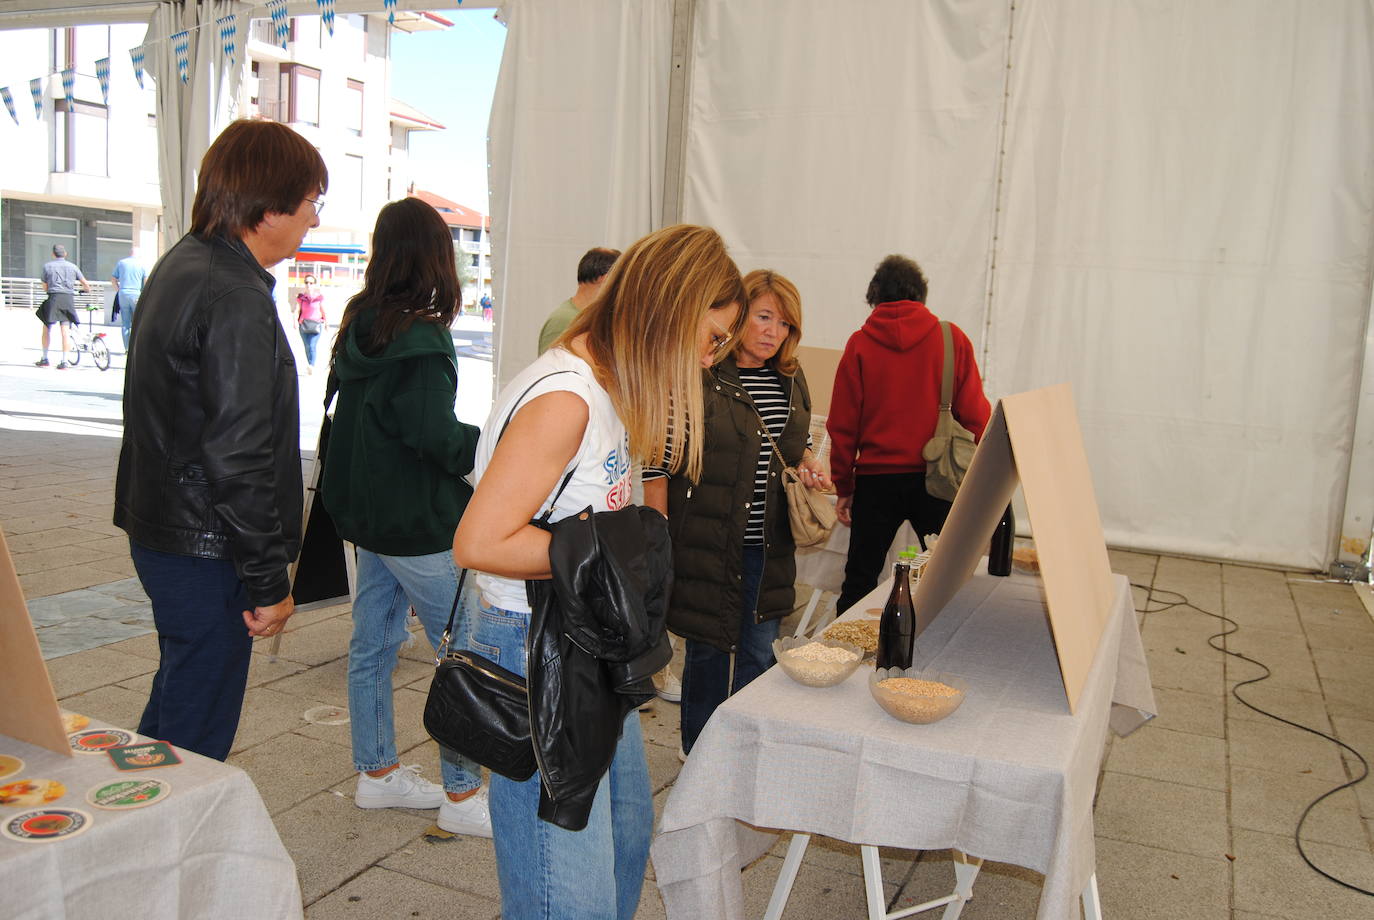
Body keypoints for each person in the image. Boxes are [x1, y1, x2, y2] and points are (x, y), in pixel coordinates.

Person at [453, 224, 744, 920]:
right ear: (668, 314)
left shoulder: (606, 385)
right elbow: (479, 540)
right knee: (569, 897)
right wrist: (616, 551)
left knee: (622, 845)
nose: (711, 362)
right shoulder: (568, 398)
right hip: (534, 649)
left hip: (582, 645)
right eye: (712, 340)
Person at [113, 119, 327, 761]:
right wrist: (268, 580)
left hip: (167, 528)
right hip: (206, 545)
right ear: (268, 209)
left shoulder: (182, 262)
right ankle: (157, 851)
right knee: (194, 735)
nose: (313, 220)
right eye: (312, 202)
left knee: (180, 697)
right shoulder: (233, 291)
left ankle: (135, 828)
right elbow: (237, 453)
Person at [320, 198, 491, 837]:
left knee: (372, 645)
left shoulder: (360, 322)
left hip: (368, 520)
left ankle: (378, 774)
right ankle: (463, 790)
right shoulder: (421, 336)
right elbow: (433, 435)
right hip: (419, 523)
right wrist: (493, 442)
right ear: (436, 257)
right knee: (465, 651)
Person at [644, 269, 829, 756]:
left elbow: (795, 443)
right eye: (765, 317)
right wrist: (658, 530)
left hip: (768, 542)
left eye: (785, 324)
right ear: (739, 315)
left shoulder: (791, 376)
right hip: (707, 537)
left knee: (758, 647)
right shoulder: (702, 371)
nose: (774, 332)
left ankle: (745, 749)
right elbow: (661, 457)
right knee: (708, 646)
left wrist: (809, 465)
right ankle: (699, 748)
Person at [828, 254, 991, 613]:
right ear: (921, 294)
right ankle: (942, 653)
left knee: (859, 580)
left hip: (875, 482)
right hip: (938, 478)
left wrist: (844, 487)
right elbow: (979, 417)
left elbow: (842, 425)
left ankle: (843, 657)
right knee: (948, 577)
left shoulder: (859, 344)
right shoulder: (951, 338)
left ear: (875, 295)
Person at [537, 247, 620, 354]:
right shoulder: (563, 320)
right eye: (620, 281)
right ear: (606, 279)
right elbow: (550, 368)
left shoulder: (592, 318)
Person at [35, 244, 91, 368]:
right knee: (65, 331)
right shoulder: (73, 267)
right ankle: (65, 361)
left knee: (46, 328)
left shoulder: (47, 266)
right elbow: (86, 285)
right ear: (65, 254)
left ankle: (45, 358)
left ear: (53, 254)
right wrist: (83, 291)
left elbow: (45, 287)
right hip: (68, 299)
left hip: (53, 298)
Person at [110, 248, 148, 351]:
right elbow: (146, 281)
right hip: (136, 294)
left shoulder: (121, 263)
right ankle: (136, 347)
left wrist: (118, 290)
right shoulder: (142, 264)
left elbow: (113, 279)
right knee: (138, 321)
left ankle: (127, 348)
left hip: (123, 294)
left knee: (125, 323)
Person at [295, 274, 327, 374]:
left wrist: (327, 323)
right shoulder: (301, 298)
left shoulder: (319, 298)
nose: (309, 285)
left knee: (312, 345)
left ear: (314, 284)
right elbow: (297, 310)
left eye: (311, 283)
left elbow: (323, 310)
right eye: (306, 282)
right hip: (304, 325)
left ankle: (311, 365)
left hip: (316, 325)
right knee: (307, 346)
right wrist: (295, 322)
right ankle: (310, 363)